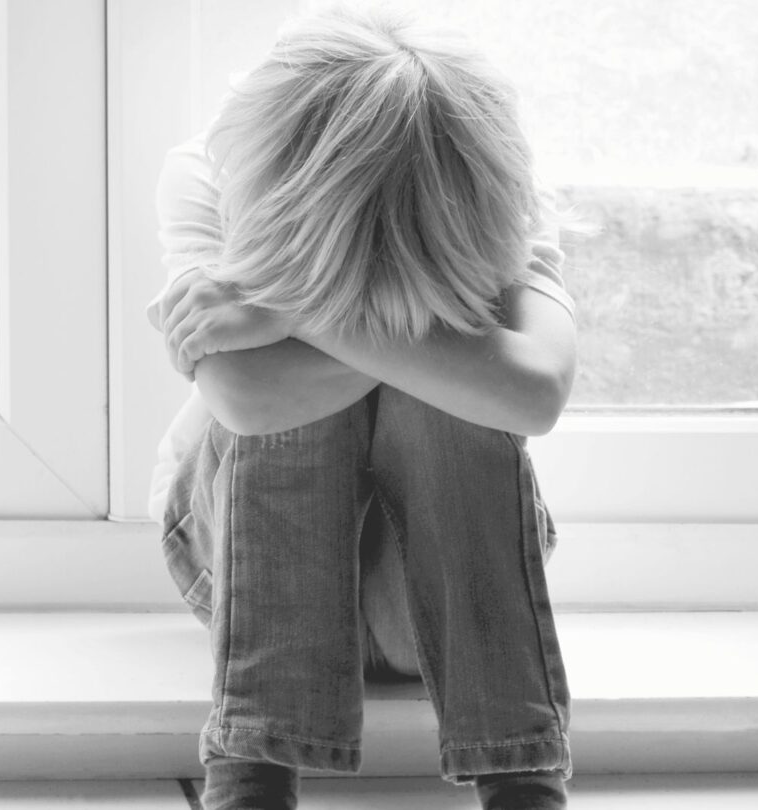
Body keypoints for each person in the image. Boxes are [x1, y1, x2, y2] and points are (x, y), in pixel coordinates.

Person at [146, 5, 585, 809]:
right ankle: (252, 772)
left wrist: (293, 311)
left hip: (438, 596)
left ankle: (521, 775)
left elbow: (535, 392)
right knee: (352, 398)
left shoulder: (500, 192)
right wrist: (418, 335)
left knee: (450, 404)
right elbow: (246, 400)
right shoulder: (212, 170)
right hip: (247, 575)